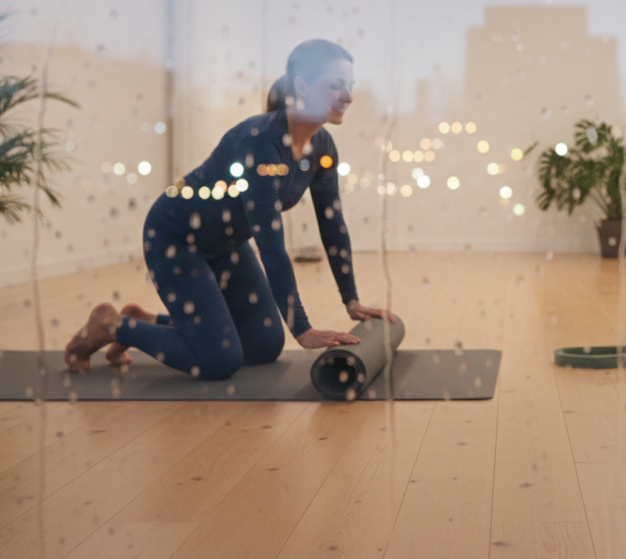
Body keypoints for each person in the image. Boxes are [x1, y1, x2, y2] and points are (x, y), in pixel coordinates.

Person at [64, 39, 392, 379]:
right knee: (219, 361)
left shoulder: (321, 146)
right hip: (176, 238)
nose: (348, 96)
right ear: (302, 85)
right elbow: (271, 245)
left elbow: (332, 224)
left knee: (263, 344)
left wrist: (351, 300)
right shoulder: (260, 142)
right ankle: (112, 326)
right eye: (336, 85)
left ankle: (148, 321)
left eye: (350, 86)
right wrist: (303, 329)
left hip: (226, 243)